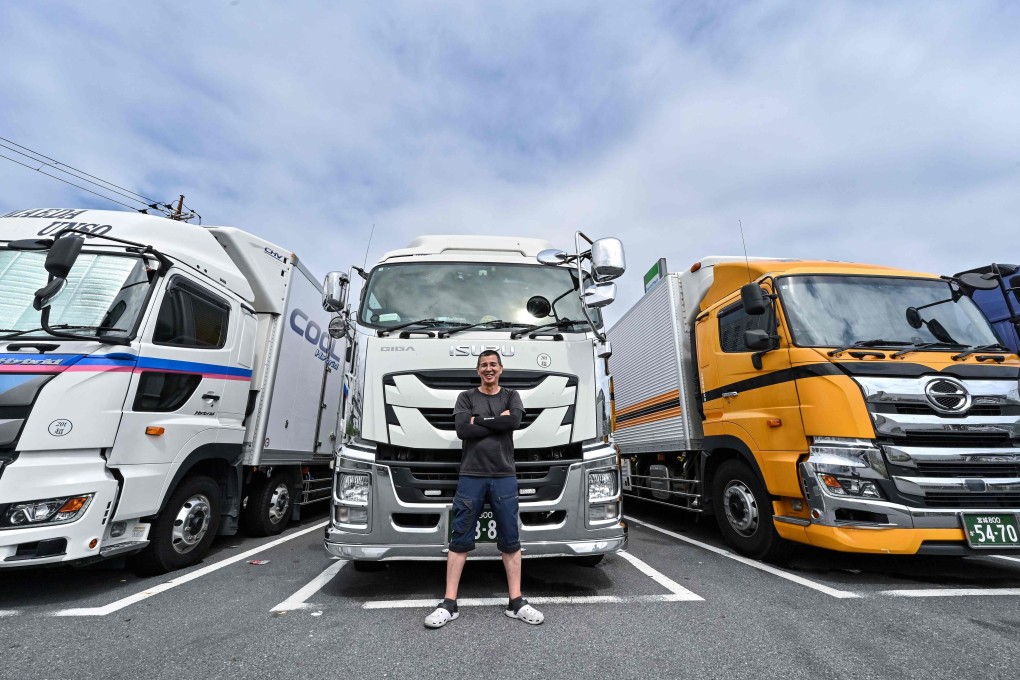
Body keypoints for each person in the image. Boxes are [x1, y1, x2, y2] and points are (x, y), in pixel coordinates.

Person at [424, 349, 544, 628]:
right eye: (483, 366)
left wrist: (479, 422)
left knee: (511, 539)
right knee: (459, 537)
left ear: (501, 368)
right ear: (477, 370)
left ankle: (516, 602)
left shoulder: (511, 395)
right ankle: (449, 604)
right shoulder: (466, 397)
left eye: (493, 365)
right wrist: (495, 423)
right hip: (471, 475)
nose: (488, 369)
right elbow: (462, 431)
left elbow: (513, 421)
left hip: (504, 475)